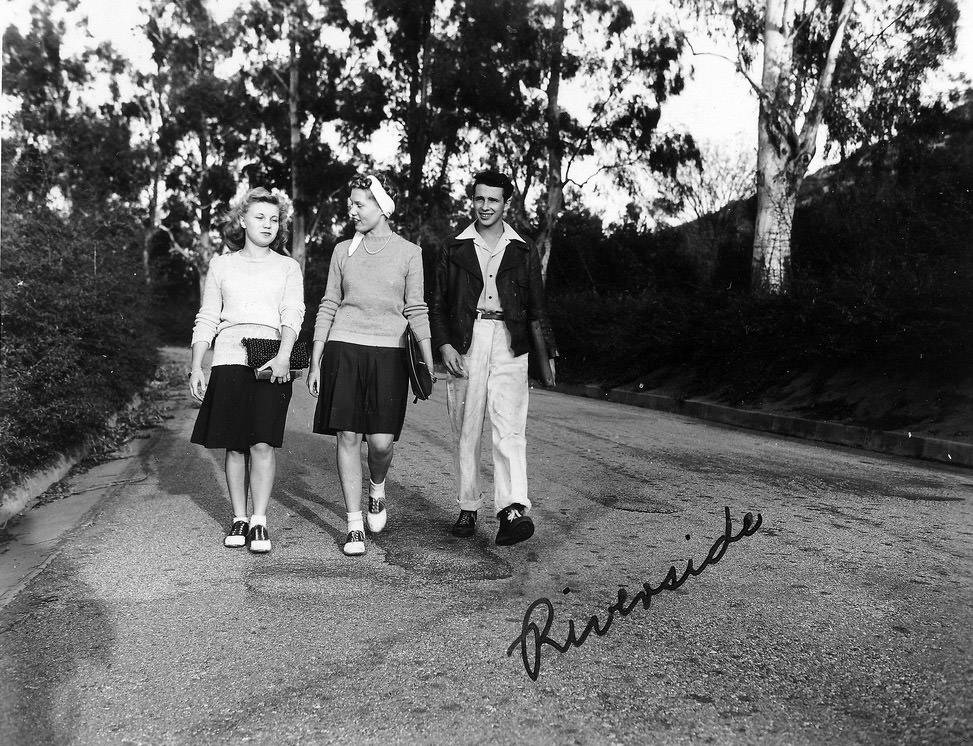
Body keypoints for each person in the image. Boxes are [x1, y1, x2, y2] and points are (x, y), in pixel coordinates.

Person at [307, 173, 434, 557]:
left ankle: (377, 487)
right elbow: (329, 303)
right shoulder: (342, 250)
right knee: (347, 436)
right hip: (344, 348)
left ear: (382, 206)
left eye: (360, 203)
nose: (352, 210)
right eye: (351, 204)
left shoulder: (410, 253)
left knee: (380, 443)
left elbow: (416, 309)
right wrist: (315, 358)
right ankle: (354, 523)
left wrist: (427, 362)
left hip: (389, 354)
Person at [429, 169, 557, 546]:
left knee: (510, 430)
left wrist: (548, 352)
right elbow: (437, 305)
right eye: (480, 199)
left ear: (506, 204)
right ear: (473, 200)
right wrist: (445, 346)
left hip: (509, 341)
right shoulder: (454, 248)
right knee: (466, 428)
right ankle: (468, 506)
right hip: (467, 343)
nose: (485, 207)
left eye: (493, 200)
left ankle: (511, 510)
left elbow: (537, 305)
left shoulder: (523, 248)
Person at [189, 187, 305, 554]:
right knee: (236, 446)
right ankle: (239, 518)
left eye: (274, 219)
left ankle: (259, 522)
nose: (267, 225)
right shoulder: (222, 264)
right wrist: (197, 364)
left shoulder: (288, 267)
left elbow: (293, 313)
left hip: (272, 360)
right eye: (259, 217)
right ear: (242, 220)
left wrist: (285, 355)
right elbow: (208, 316)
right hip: (227, 359)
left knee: (262, 442)